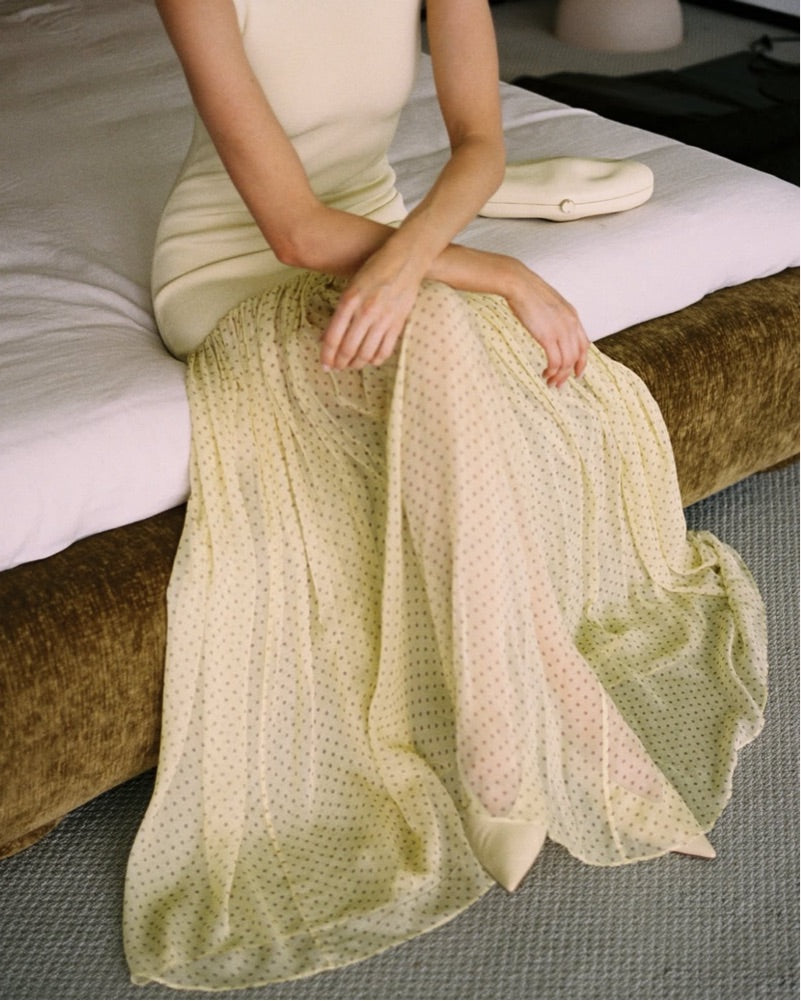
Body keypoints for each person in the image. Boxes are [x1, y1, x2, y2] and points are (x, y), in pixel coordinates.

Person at [123, 0, 767, 990]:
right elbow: (291, 227)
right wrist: (499, 271)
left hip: (385, 242)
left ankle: (502, 744)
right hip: (229, 266)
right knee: (448, 328)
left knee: (443, 334)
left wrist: (411, 256)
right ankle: (513, 747)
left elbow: (479, 146)